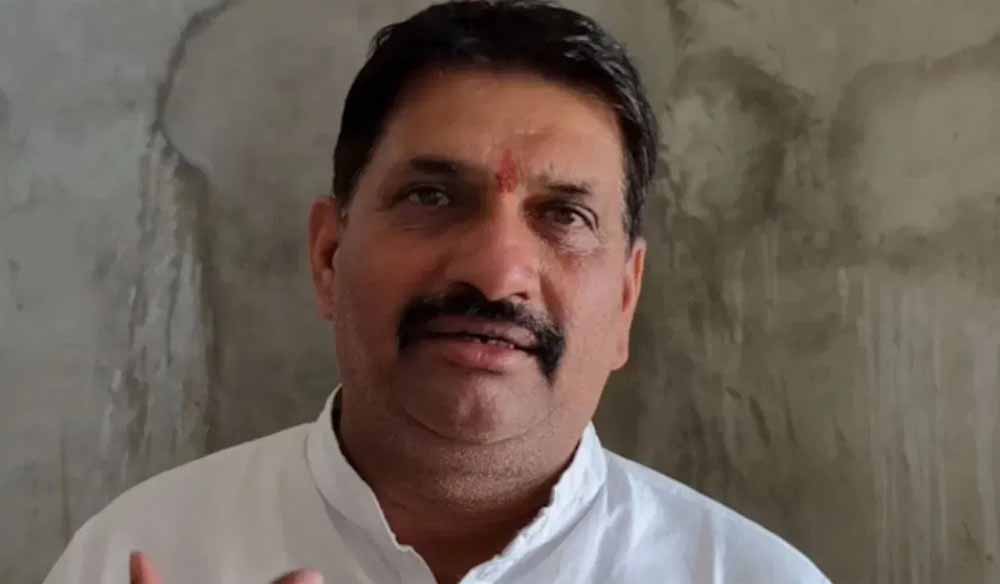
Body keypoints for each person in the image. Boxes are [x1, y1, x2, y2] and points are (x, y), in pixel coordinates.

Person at [44, 1, 830, 583]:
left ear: (626, 301)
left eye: (564, 215)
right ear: (328, 255)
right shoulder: (134, 555)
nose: (495, 273)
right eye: (431, 196)